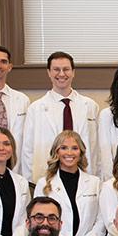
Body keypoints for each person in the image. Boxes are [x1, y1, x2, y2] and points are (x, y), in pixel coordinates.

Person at [21, 51, 99, 182]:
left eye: (66, 69)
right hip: (48, 178)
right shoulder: (36, 108)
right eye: (56, 69)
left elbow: (96, 148)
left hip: (84, 176)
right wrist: (31, 183)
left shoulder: (90, 106)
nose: (61, 74)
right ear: (49, 72)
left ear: (73, 72)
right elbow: (27, 151)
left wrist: (98, 178)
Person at [33, 130, 105, 236]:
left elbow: (101, 220)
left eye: (74, 148)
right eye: (64, 148)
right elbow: (39, 220)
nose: (69, 153)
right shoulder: (44, 184)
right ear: (56, 152)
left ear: (81, 152)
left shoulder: (95, 183)